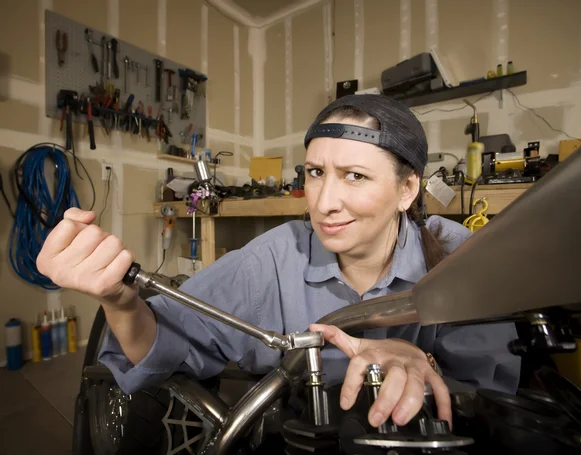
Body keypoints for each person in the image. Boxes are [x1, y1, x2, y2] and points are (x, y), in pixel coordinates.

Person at [36, 94, 520, 431]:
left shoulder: (459, 260)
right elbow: (162, 345)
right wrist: (118, 300)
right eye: (315, 173)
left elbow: (496, 405)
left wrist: (423, 360)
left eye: (354, 175)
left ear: (407, 189)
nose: (324, 201)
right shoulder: (269, 260)